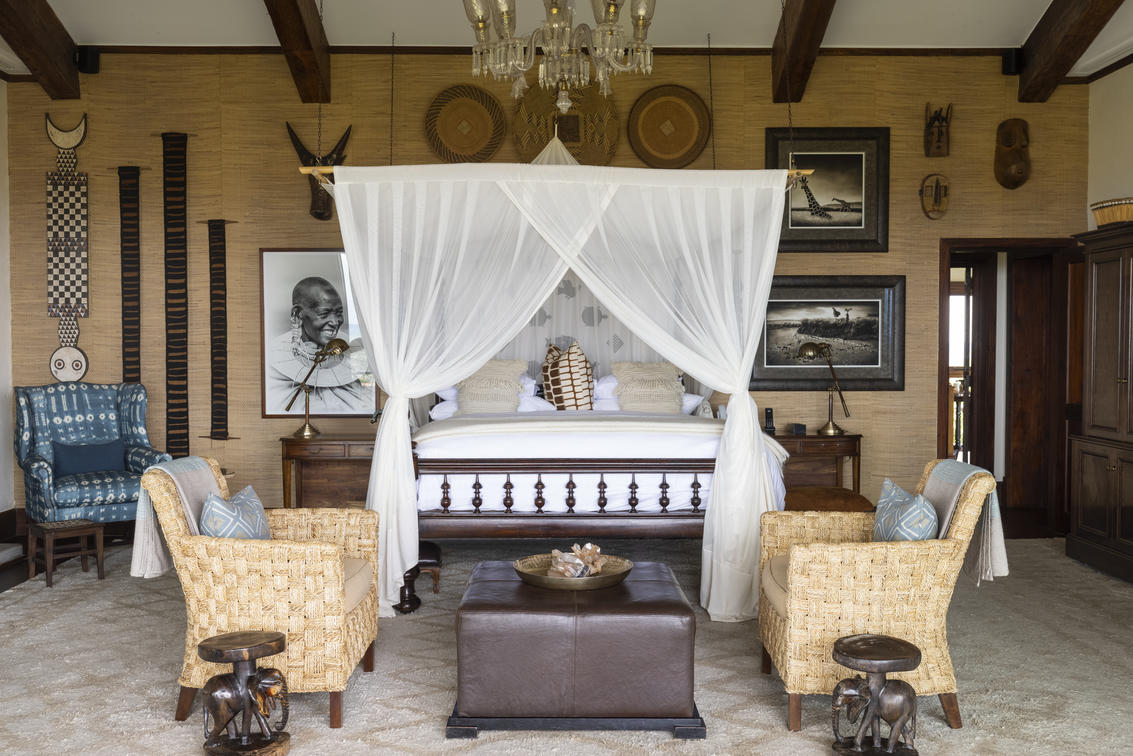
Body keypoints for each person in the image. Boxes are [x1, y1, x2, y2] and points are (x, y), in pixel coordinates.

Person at [267, 276, 373, 414]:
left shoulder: (353, 357)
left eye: (339, 313)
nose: (335, 322)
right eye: (324, 313)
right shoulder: (271, 365)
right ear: (297, 314)